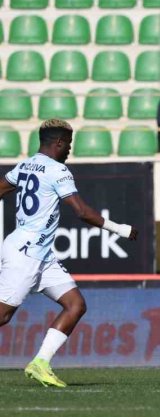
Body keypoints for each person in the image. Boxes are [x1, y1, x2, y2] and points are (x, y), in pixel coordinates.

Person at [0, 119, 138, 388]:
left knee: (76, 305)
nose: (70, 150)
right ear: (59, 142)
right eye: (69, 144)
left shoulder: (26, 164)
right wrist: (119, 229)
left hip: (39, 252)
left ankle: (40, 363)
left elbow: (1, 188)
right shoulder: (58, 170)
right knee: (3, 315)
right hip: (26, 253)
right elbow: (82, 212)